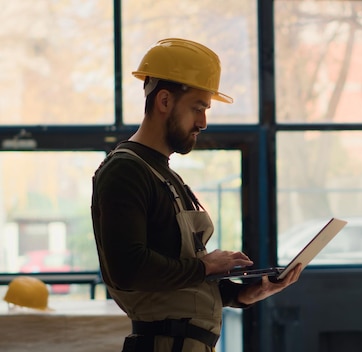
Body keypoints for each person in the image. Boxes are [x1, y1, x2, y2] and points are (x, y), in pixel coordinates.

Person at [91, 38, 302, 352]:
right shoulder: (125, 171)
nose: (203, 122)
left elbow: (181, 276)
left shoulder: (166, 176)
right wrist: (207, 266)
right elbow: (129, 270)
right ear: (164, 101)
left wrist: (245, 294)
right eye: (198, 108)